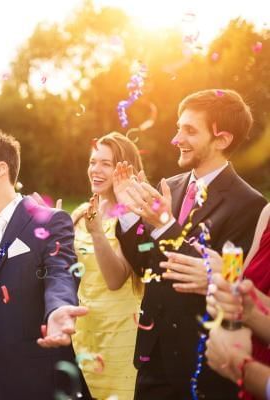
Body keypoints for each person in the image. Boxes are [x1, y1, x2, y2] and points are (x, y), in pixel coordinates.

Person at [112, 89, 267, 398]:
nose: (176, 138)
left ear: (222, 140)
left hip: (203, 364)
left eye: (189, 130)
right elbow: (146, 264)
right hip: (152, 355)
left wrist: (165, 225)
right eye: (178, 127)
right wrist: (129, 216)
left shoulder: (249, 205)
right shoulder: (170, 186)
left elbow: (216, 280)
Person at [0, 129, 91, 400]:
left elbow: (60, 271)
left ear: (0, 169)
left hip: (39, 373)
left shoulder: (51, 220)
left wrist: (59, 308)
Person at [164, 202, 270, 399]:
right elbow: (245, 285)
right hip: (244, 356)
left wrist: (244, 369)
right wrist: (226, 282)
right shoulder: (268, 213)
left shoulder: (249, 203)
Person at [70, 132, 144, 400]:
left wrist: (99, 234)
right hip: (84, 333)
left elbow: (115, 280)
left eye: (106, 163)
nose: (95, 170)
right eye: (93, 162)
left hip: (119, 335)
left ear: (124, 170)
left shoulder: (133, 218)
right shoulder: (80, 213)